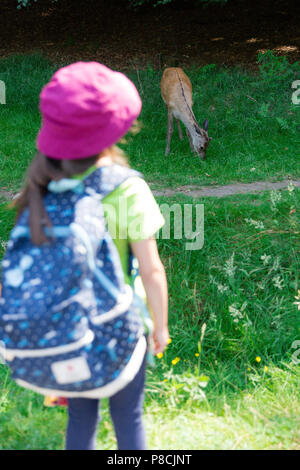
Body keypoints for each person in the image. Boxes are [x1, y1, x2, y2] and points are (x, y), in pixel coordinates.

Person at [11, 62, 169, 450]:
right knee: (129, 420)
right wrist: (160, 328)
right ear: (117, 130)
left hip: (71, 330)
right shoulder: (128, 189)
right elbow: (151, 270)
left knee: (81, 419)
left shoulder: (43, 186)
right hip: (123, 325)